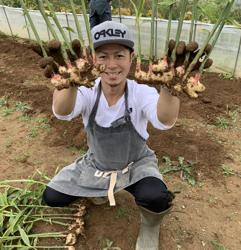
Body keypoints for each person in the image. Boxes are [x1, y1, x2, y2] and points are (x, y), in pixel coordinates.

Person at [42, 20, 180, 250]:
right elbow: (62, 112)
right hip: (98, 164)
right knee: (52, 197)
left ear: (131, 57)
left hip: (135, 166)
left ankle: (150, 226)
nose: (112, 64)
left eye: (119, 55)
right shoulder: (87, 91)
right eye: (103, 56)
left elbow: (164, 120)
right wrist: (71, 82)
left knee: (156, 197)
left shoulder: (140, 92)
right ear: (91, 59)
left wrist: (170, 87)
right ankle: (99, 189)